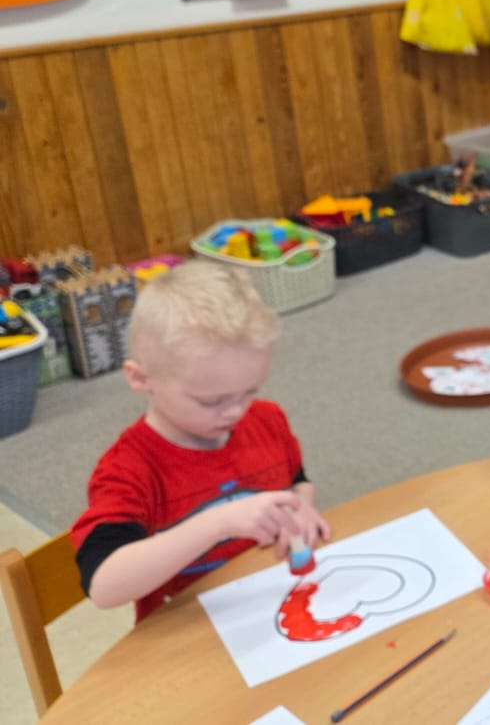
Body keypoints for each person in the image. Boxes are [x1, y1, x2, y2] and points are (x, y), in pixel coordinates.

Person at [70, 262, 329, 620]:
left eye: (249, 392)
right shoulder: (128, 469)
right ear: (141, 379)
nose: (235, 411)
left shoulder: (266, 420)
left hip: (272, 605)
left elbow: (297, 481)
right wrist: (218, 523)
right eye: (212, 401)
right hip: (192, 630)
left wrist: (302, 506)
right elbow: (103, 585)